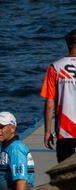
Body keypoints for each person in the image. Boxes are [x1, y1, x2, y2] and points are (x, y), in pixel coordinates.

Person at [41, 30, 76, 162]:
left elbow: (50, 103)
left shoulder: (55, 68)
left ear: (67, 44)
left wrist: (47, 131)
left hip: (64, 130)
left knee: (65, 176)